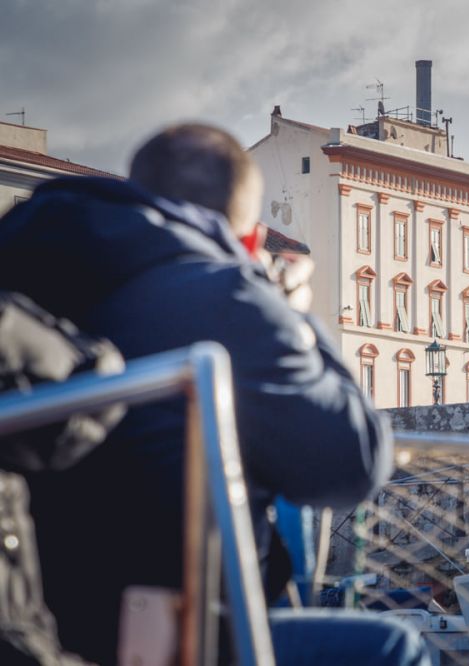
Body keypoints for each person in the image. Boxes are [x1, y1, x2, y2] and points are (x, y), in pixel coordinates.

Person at [0, 123, 427, 665]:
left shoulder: (23, 274)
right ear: (249, 240)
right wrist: (296, 319)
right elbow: (354, 467)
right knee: (392, 646)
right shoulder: (228, 298)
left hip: (35, 623)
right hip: (166, 639)